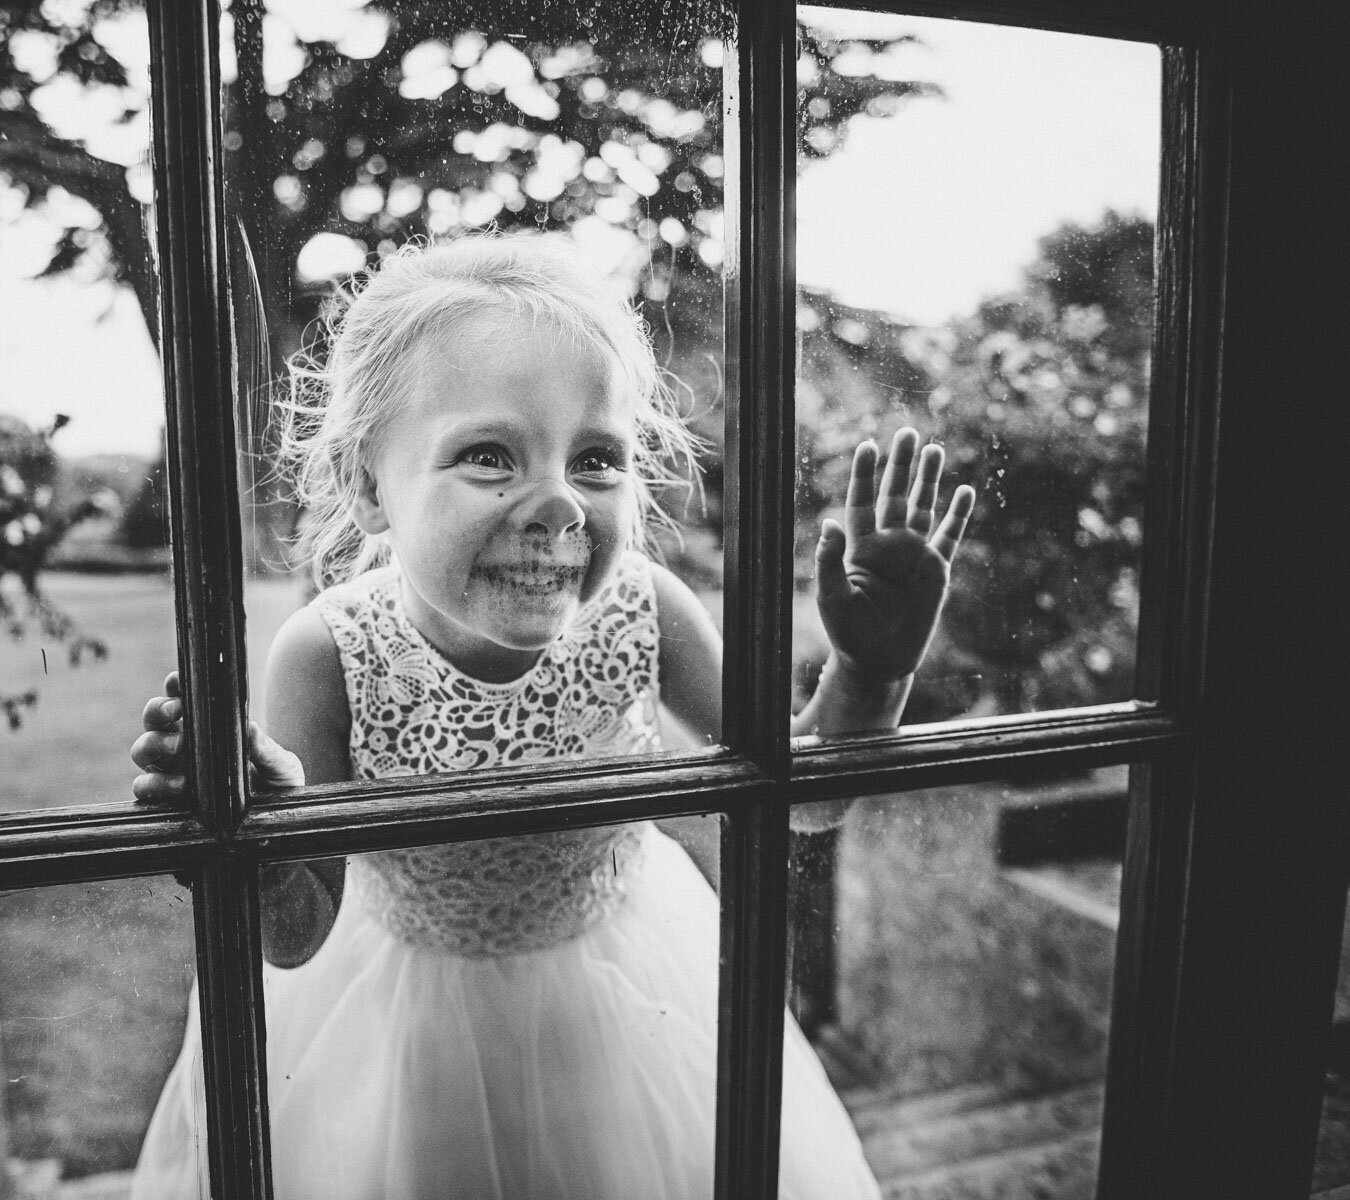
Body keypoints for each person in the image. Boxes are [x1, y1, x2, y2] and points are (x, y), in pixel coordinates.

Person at [128, 234, 976, 1200]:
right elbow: (292, 935)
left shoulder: (648, 608)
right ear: (369, 487)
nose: (560, 505)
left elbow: (802, 803)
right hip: (409, 1042)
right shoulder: (328, 655)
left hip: (634, 1000)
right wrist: (249, 838)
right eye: (491, 455)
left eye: (597, 459)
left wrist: (867, 673)